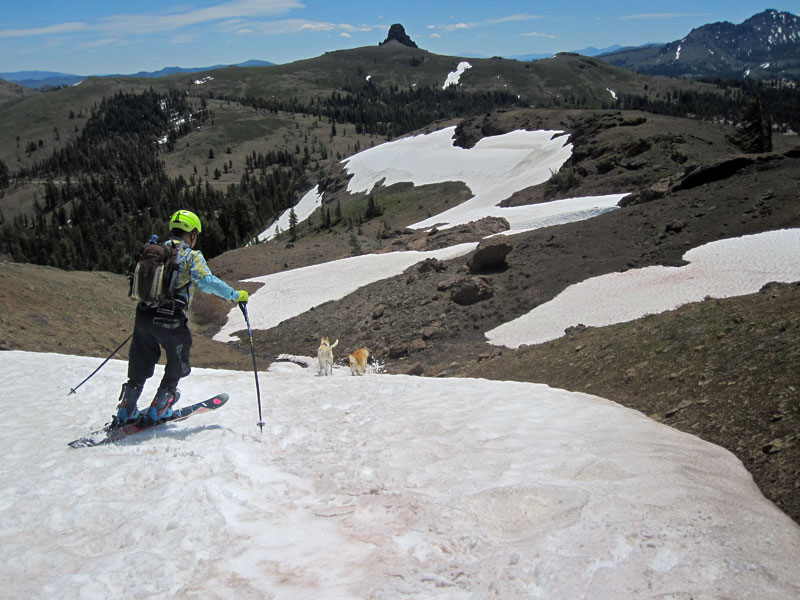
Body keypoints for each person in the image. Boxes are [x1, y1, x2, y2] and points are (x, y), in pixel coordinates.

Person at [114, 209, 249, 426]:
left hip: (144, 314)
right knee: (177, 361)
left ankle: (126, 409)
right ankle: (161, 407)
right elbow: (207, 281)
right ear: (192, 233)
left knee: (140, 361)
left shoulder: (156, 251)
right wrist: (235, 295)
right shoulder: (189, 255)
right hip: (171, 319)